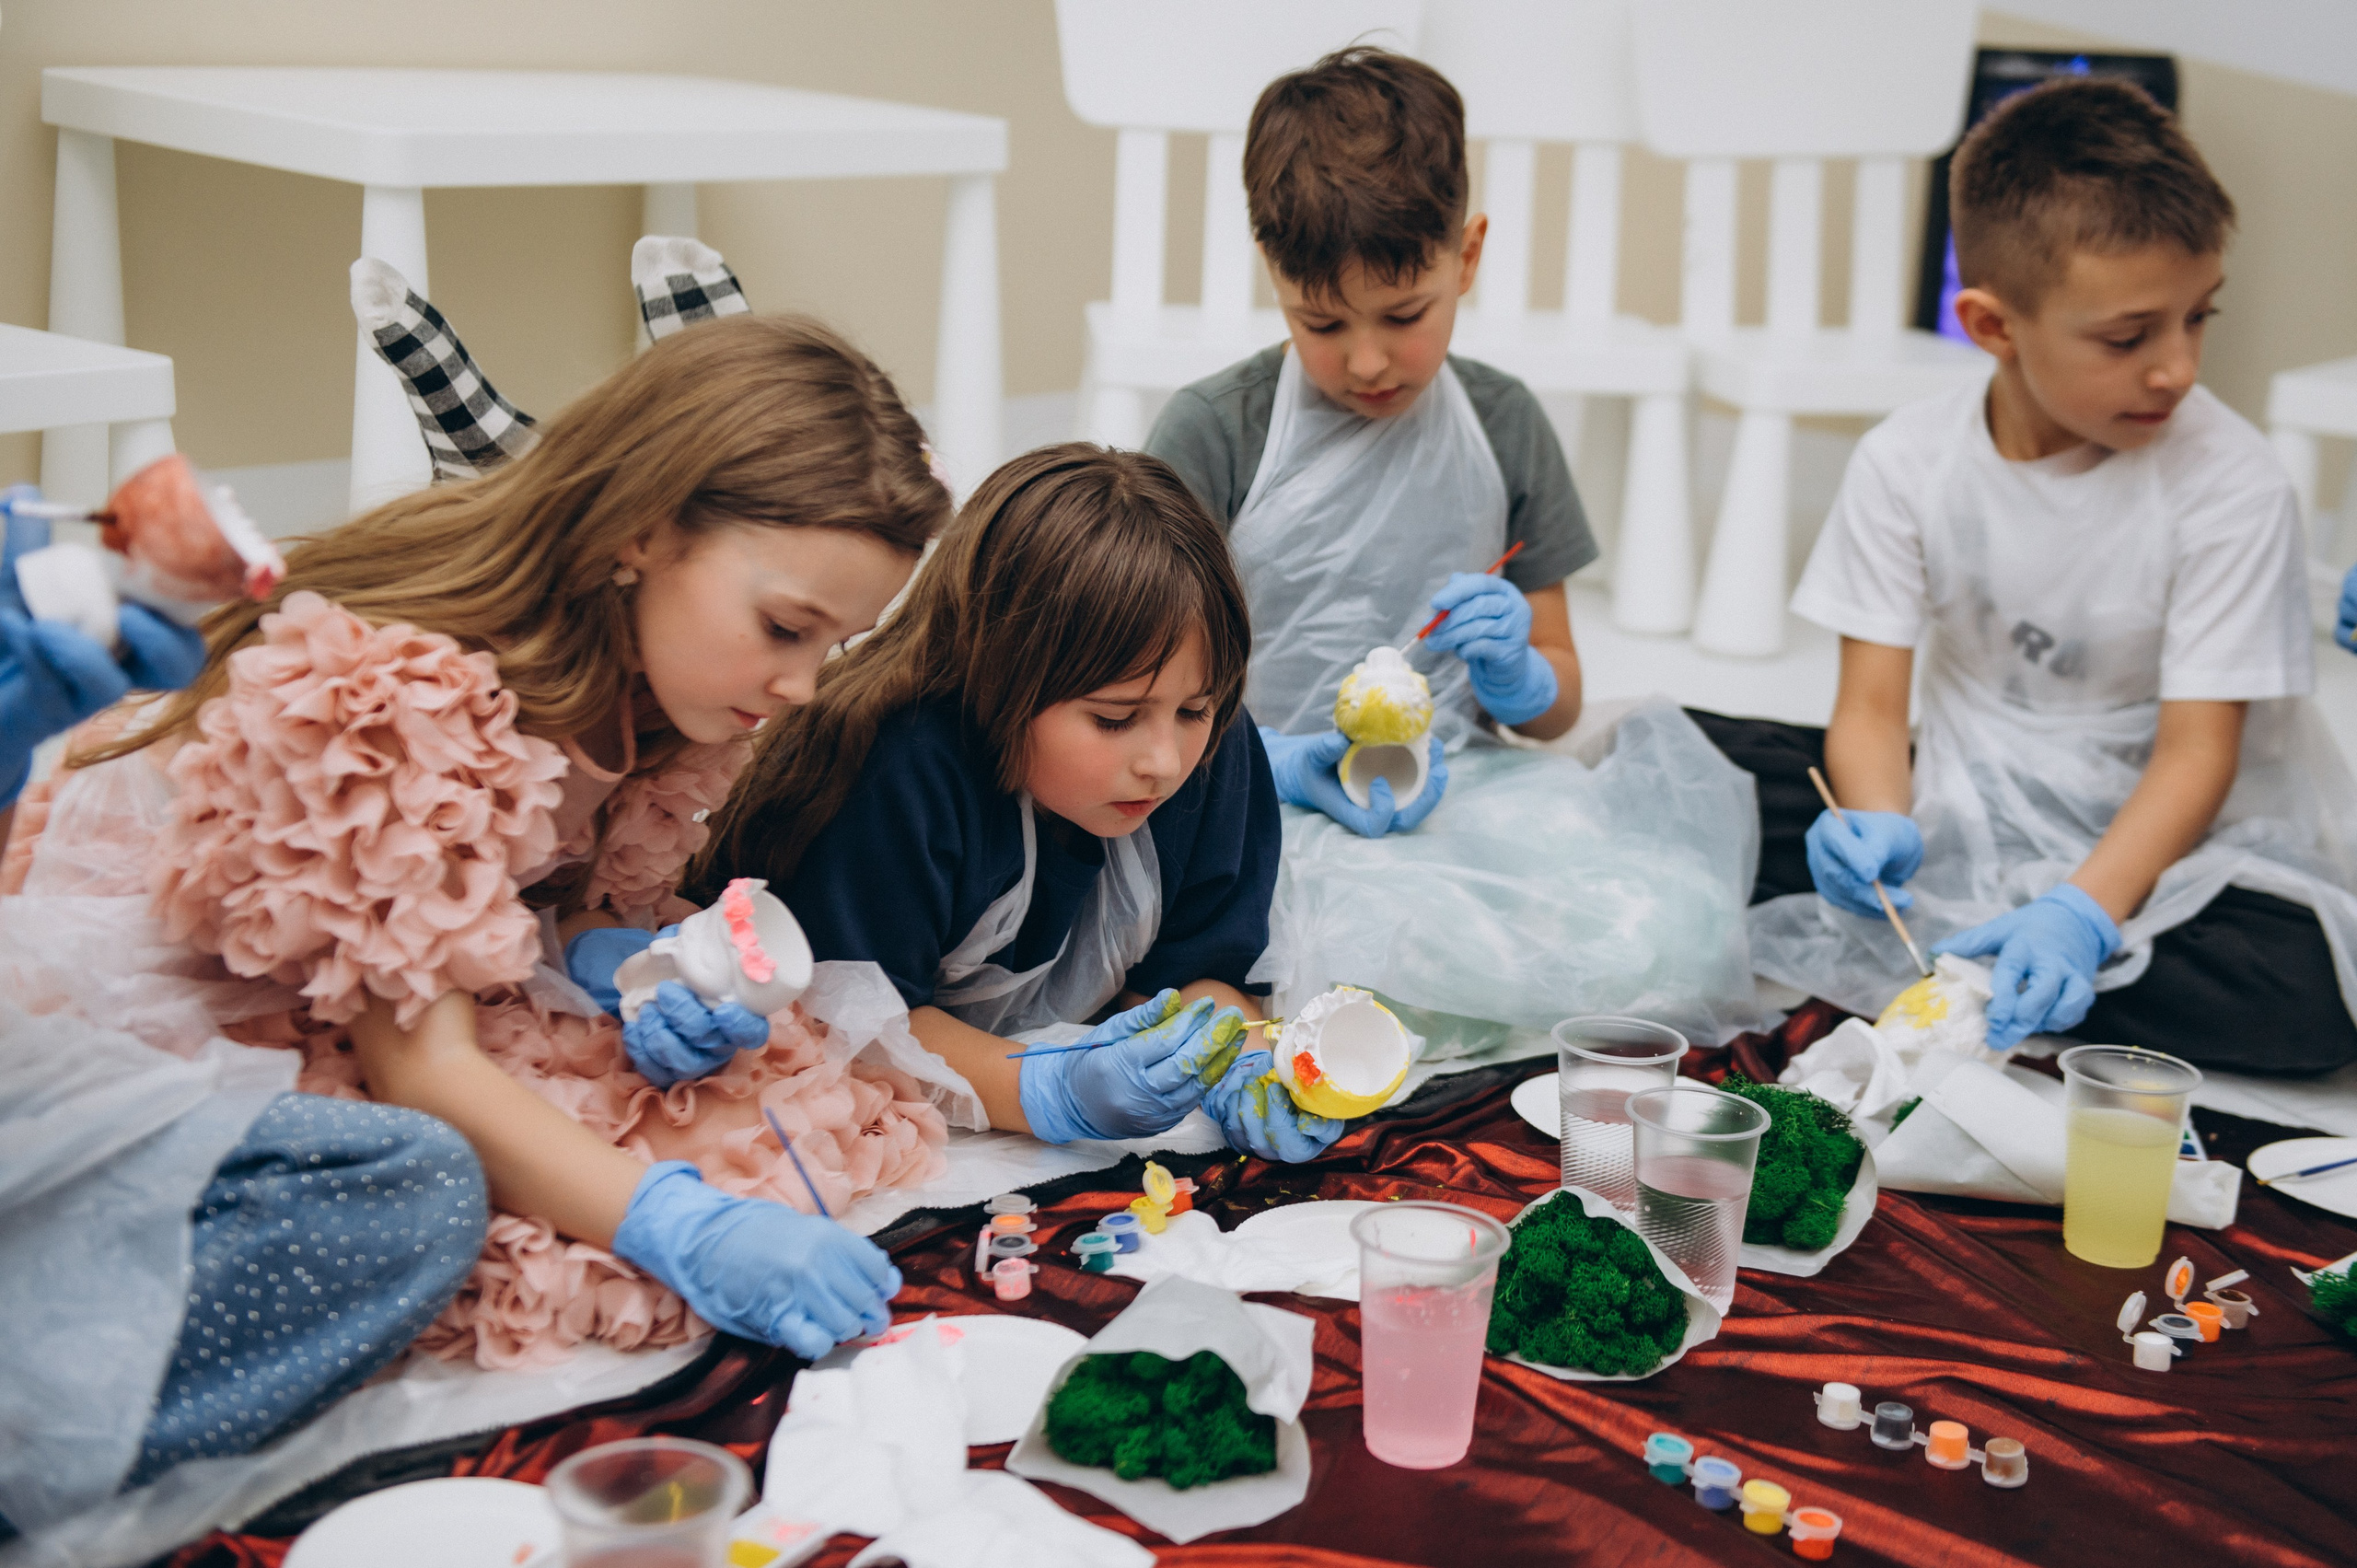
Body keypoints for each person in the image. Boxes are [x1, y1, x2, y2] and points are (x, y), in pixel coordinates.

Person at [0, 313, 958, 1530]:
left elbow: (538, 895)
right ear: (642, 531)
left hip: (410, 970)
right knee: (461, 1195)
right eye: (785, 627)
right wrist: (680, 1225)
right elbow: (424, 1064)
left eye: (839, 642)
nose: (803, 685)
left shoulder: (653, 685)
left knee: (745, 1090)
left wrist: (619, 959)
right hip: (222, 967)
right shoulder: (402, 691)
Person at [1728, 78, 2357, 1074]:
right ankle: (1996, 946)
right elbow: (1870, 705)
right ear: (1991, 325)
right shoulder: (1907, 458)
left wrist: (2081, 911)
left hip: (2171, 838)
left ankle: (2021, 947)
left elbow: (2199, 757)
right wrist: (1877, 812)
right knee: (1700, 771)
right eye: (2128, 337)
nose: (2179, 368)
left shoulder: (2233, 485)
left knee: (2302, 992)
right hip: (1965, 788)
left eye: (2199, 317)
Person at [1143, 47, 1761, 1051]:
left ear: (1465, 257)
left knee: (1676, 921)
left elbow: (1558, 703)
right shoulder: (1216, 433)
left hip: (1451, 787)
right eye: (1321, 321)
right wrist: (1272, 761)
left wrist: (1517, 673)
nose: (1368, 359)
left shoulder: (1505, 424)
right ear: (1275, 277)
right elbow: (1129, 691)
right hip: (1244, 801)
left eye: (1405, 313)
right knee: (1286, 962)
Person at [698, 444, 1341, 1163]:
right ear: (1002, 675)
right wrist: (1047, 1089)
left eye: (1195, 708)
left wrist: (1244, 1054)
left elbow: (1197, 965)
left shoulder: (1214, 748)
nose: (1164, 762)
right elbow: (860, 1024)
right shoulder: (893, 767)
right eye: (1114, 718)